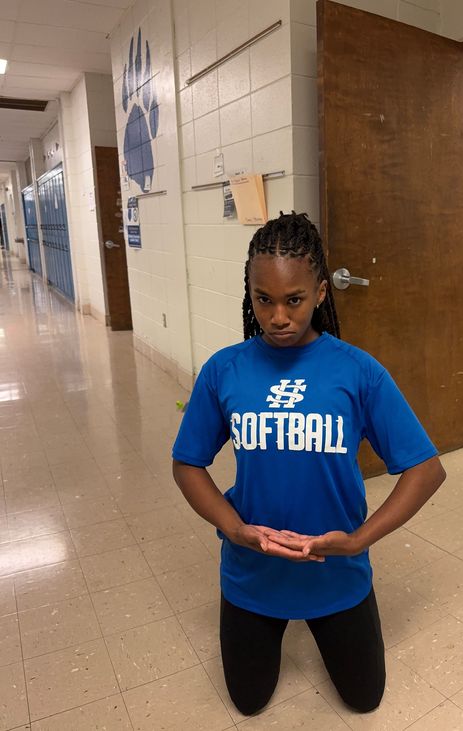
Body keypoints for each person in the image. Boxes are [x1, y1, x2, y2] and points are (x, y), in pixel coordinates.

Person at [171, 212, 446, 715]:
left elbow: (427, 470)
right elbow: (187, 464)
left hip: (336, 570)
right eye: (264, 300)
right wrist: (233, 529)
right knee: (248, 702)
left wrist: (359, 540)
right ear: (250, 294)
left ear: (320, 292)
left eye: (294, 300)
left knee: (365, 700)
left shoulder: (357, 372)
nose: (278, 316)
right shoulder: (224, 371)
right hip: (253, 570)